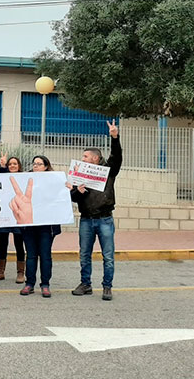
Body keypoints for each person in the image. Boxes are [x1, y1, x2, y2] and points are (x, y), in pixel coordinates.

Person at [70, 120, 122, 301]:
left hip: (105, 219)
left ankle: (107, 286)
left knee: (108, 256)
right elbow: (73, 197)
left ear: (95, 158)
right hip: (86, 220)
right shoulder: (80, 174)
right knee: (84, 254)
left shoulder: (108, 171)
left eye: (85, 156)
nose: (82, 159)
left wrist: (114, 137)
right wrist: (78, 191)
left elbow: (116, 157)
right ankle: (86, 284)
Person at [19, 156, 62, 298]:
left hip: (46, 226)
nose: (36, 166)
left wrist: (68, 188)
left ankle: (45, 284)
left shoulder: (55, 181)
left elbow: (62, 197)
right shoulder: (26, 180)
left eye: (39, 164)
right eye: (34, 164)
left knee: (45, 255)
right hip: (30, 225)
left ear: (46, 166)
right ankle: (29, 283)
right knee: (31, 255)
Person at [0, 156, 25, 283]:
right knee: (3, 245)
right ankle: (0, 272)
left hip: (18, 217)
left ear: (19, 166)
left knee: (19, 245)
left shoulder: (24, 178)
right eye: (10, 164)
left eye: (15, 164)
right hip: (4, 216)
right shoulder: (3, 177)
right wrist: (2, 166)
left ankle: (21, 273)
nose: (12, 166)